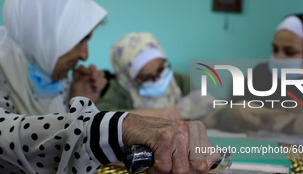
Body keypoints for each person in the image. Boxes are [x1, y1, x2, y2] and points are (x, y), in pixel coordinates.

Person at [0, 0, 219, 174]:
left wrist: (77, 98)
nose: (84, 55)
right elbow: (8, 136)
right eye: (81, 40)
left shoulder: (47, 75)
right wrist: (120, 126)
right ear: (48, 32)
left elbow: (53, 147)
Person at [96, 31, 284, 132]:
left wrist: (236, 112)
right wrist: (154, 114)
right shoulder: (119, 88)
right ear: (127, 77)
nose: (158, 79)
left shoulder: (179, 81)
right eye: (146, 77)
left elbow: (211, 114)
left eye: (161, 69)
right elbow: (101, 119)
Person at [232, 13, 303, 134]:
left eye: (290, 52)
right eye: (275, 49)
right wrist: (292, 124)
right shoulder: (260, 77)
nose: (278, 57)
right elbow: (239, 115)